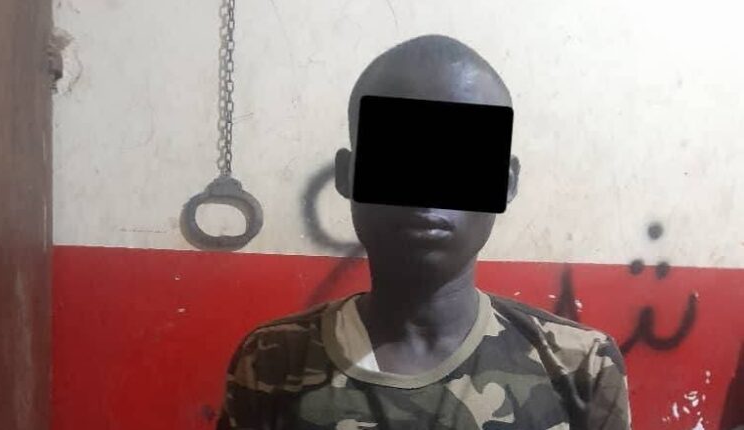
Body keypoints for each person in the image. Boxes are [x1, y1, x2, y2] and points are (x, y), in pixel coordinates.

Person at [217, 34, 631, 430]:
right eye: (398, 154)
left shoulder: (580, 366)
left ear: (505, 184)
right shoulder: (273, 361)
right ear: (347, 175)